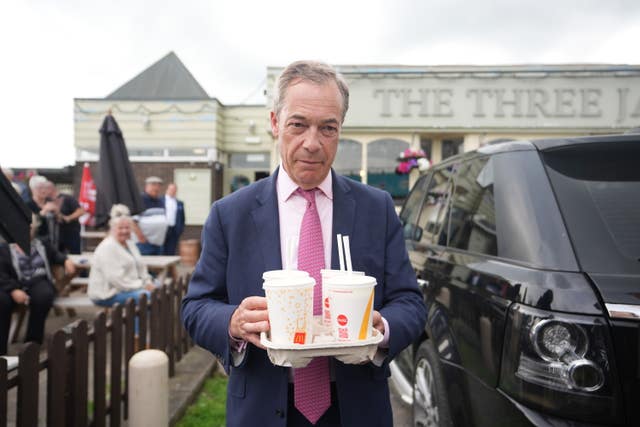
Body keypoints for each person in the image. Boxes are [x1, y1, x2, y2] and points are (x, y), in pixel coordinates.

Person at [181, 60, 427, 427]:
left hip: (356, 409)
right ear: (275, 123)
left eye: (328, 128)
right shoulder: (230, 214)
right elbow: (195, 307)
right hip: (262, 409)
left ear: (340, 130)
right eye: (298, 125)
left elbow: (410, 304)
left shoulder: (378, 209)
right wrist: (233, 321)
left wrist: (381, 328)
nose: (312, 143)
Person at [0, 214, 76, 355]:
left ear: (33, 228)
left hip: (37, 280)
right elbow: (1, 274)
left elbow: (56, 255)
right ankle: (1, 351)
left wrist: (66, 261)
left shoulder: (42, 244)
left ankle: (32, 344)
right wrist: (13, 290)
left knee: (44, 296)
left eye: (29, 227)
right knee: (2, 302)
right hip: (12, 283)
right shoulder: (4, 248)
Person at [88, 204, 156, 307]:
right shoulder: (108, 247)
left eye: (127, 228)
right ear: (113, 229)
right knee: (144, 296)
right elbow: (117, 280)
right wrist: (143, 285)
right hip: (107, 293)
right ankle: (136, 323)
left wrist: (148, 282)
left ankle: (150, 321)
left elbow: (141, 267)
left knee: (158, 287)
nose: (124, 231)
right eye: (120, 228)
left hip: (127, 287)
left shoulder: (130, 244)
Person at [132, 176, 168, 255]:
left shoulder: (161, 201)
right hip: (143, 244)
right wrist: (142, 239)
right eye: (153, 185)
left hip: (158, 244)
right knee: (144, 267)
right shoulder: (140, 200)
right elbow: (132, 222)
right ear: (146, 186)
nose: (156, 188)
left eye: (159, 185)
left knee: (157, 267)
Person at [47, 182, 85, 254]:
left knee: (74, 255)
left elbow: (81, 211)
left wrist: (69, 218)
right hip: (56, 236)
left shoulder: (67, 198)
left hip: (71, 233)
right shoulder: (47, 200)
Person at [163, 183, 185, 255]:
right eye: (171, 189)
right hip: (163, 229)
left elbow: (182, 217)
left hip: (174, 230)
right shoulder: (161, 201)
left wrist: (180, 229)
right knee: (162, 250)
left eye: (175, 190)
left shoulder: (180, 203)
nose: (173, 191)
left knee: (171, 250)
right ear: (167, 190)